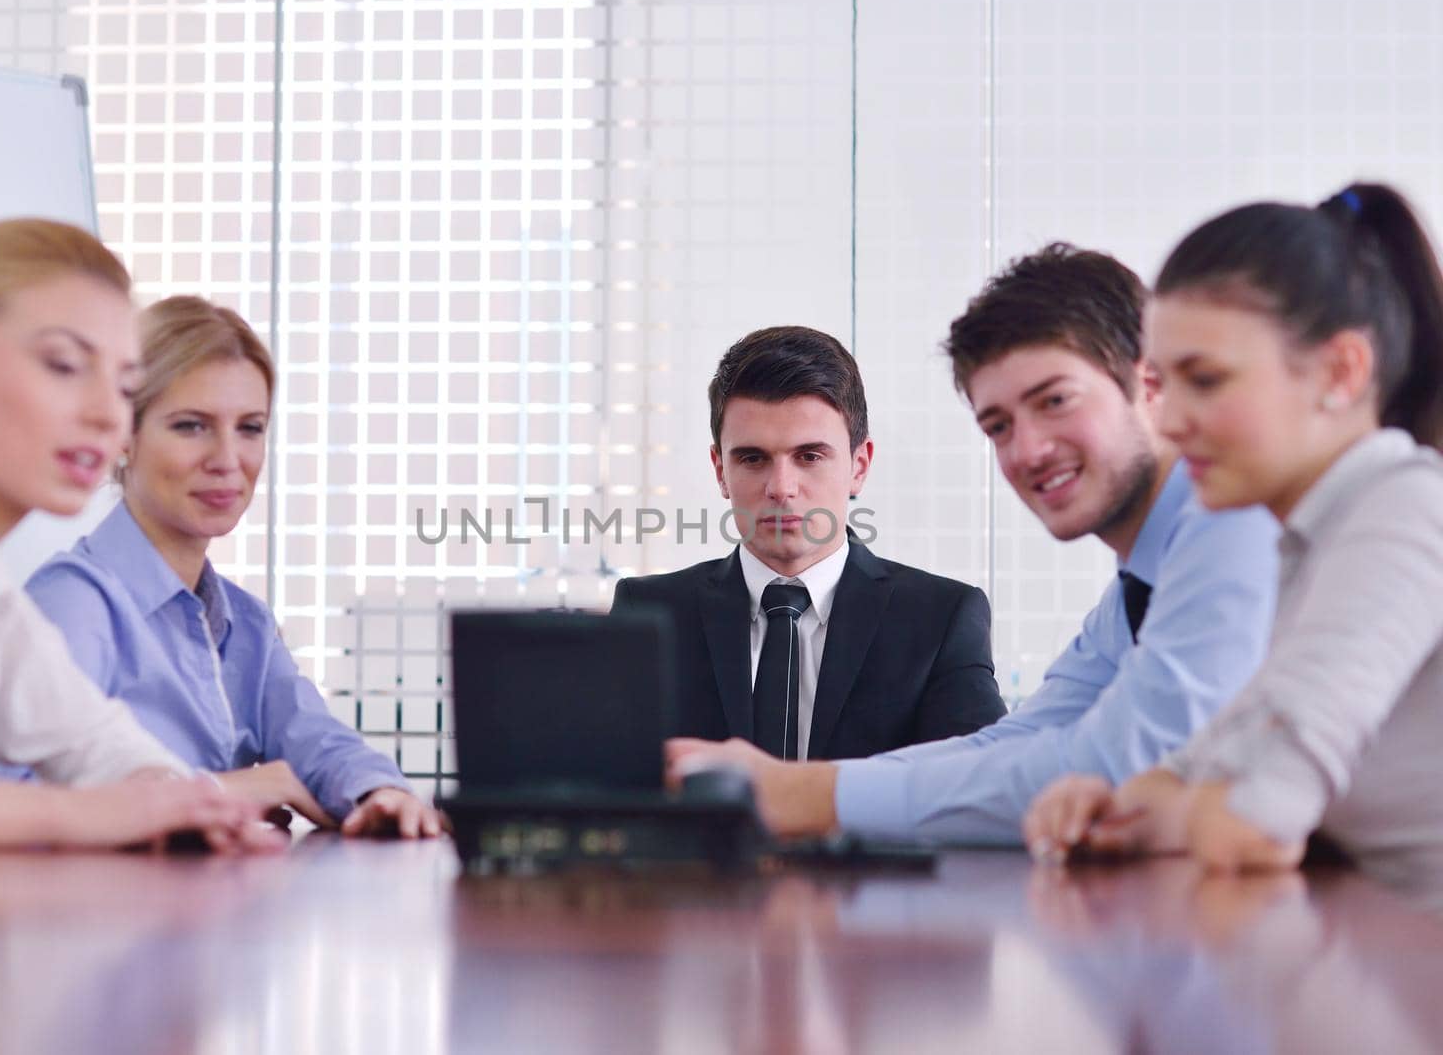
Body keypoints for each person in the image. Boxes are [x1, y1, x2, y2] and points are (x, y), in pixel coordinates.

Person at [665, 246, 1280, 843]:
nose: (1028, 451)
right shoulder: (1139, 588)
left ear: (1148, 383)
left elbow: (1115, 761)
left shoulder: (1239, 527)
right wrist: (792, 786)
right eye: (999, 425)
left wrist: (798, 795)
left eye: (1056, 401)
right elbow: (1024, 741)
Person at [1025, 183, 1443, 873]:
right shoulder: (1306, 541)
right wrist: (1120, 806)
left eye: (1208, 380)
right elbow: (1209, 766)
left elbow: (1251, 821)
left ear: (1341, 372)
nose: (1171, 421)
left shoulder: (1405, 511)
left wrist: (1176, 811)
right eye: (1166, 383)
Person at [0, 218, 278, 852]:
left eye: (125, 386)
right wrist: (71, 814)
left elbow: (87, 735)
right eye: (65, 365)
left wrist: (184, 803)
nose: (107, 414)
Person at [19, 295, 442, 838]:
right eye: (192, 426)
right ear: (123, 436)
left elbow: (315, 742)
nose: (227, 459)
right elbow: (26, 803)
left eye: (250, 428)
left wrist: (380, 793)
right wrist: (238, 789)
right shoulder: (74, 604)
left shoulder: (246, 624)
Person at [612, 325, 1007, 762]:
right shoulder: (648, 614)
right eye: (752, 458)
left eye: (809, 456)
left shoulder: (941, 620)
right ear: (721, 471)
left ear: (859, 466)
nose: (782, 488)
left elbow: (979, 787)